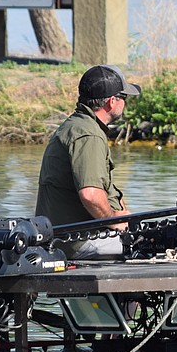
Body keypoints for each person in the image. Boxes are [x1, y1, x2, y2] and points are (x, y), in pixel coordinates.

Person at [35, 64, 141, 259]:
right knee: (173, 246)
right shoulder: (88, 135)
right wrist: (115, 222)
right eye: (124, 98)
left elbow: (104, 190)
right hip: (78, 242)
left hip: (69, 237)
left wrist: (124, 215)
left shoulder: (77, 125)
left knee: (153, 238)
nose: (125, 103)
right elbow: (91, 195)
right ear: (111, 102)